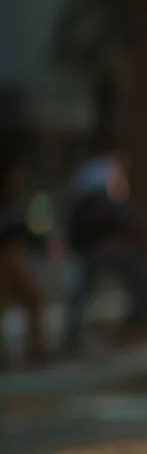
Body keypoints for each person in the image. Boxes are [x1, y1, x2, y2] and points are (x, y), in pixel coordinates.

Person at [62, 148, 147, 357]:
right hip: (95, 243)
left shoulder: (88, 173)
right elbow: (110, 210)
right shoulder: (104, 173)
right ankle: (129, 328)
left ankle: (72, 335)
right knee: (135, 279)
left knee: (82, 290)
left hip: (85, 243)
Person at [0, 157, 49, 370]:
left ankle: (36, 347)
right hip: (4, 258)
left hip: (16, 257)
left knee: (34, 299)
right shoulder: (6, 202)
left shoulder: (17, 201)